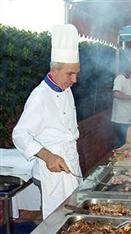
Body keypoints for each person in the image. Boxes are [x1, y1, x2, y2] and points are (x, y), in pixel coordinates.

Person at [12, 24, 82, 219]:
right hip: (51, 172)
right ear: (54, 69)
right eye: (70, 73)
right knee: (55, 221)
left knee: (72, 216)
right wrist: (48, 156)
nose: (74, 79)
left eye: (76, 72)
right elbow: (19, 134)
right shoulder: (40, 96)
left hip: (70, 164)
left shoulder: (65, 89)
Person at [111, 60, 131, 148]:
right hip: (121, 120)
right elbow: (116, 94)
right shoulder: (120, 78)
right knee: (122, 145)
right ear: (129, 67)